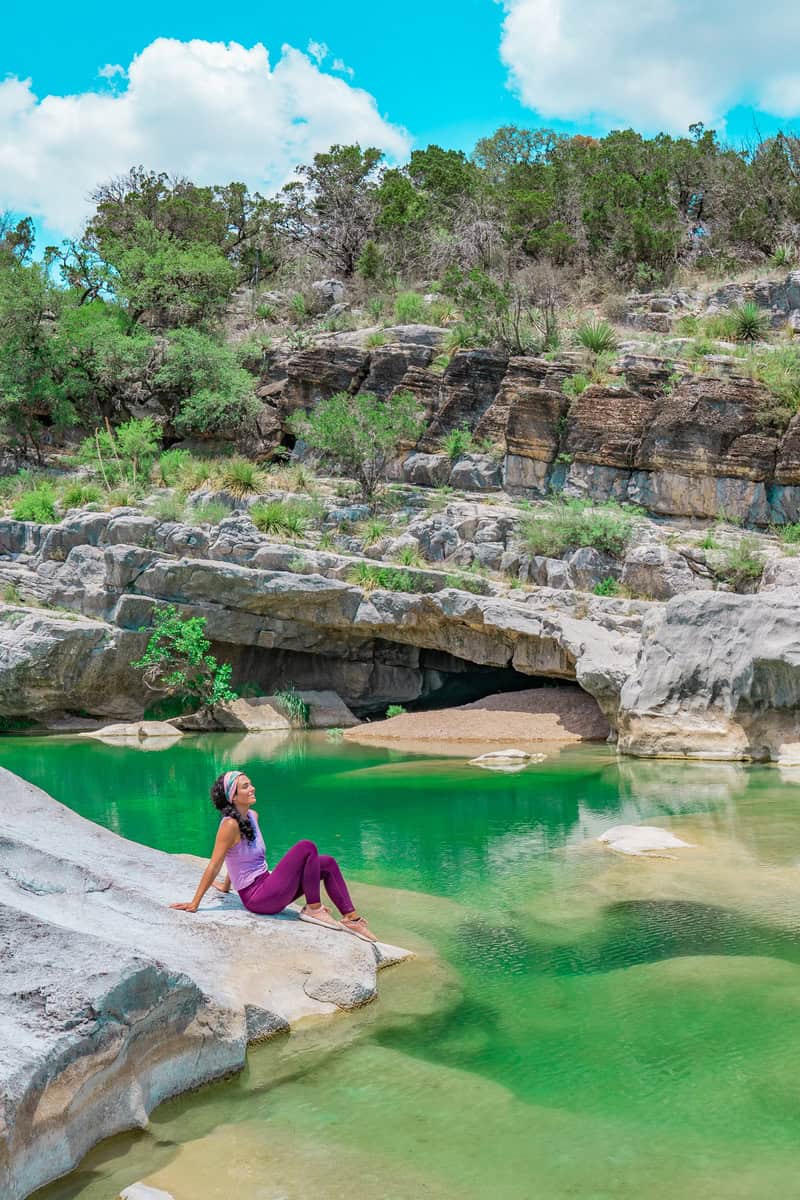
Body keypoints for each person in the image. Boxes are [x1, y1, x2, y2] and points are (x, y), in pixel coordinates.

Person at [171, 769, 377, 943]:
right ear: (233, 797)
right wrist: (194, 903)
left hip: (268, 886)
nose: (252, 788)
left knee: (327, 863)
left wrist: (226, 887)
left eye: (250, 784)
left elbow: (239, 859)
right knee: (307, 847)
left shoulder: (253, 816)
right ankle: (314, 909)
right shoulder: (229, 825)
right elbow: (215, 864)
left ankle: (352, 919)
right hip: (257, 898)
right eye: (245, 786)